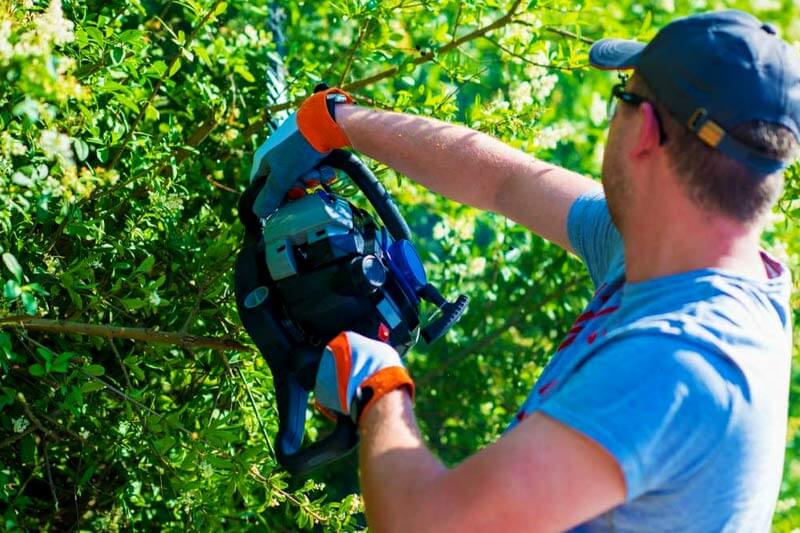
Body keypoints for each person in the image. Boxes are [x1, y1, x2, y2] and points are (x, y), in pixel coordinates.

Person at [248, 10, 798, 531]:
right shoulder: (672, 245)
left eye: (623, 95)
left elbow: (423, 523)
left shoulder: (681, 362)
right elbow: (505, 180)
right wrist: (336, 124)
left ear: (647, 130)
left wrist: (378, 388)